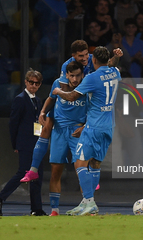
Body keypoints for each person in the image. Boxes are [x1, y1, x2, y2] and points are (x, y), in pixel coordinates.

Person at [20, 40, 123, 183]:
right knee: (46, 127)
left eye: (86, 54)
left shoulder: (93, 61)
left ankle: (90, 182)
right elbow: (64, 90)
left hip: (84, 102)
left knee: (89, 139)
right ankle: (33, 170)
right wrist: (43, 111)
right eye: (81, 56)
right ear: (73, 56)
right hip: (65, 103)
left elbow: (108, 65)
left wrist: (116, 56)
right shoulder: (67, 66)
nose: (85, 58)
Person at [52, 46, 122, 216]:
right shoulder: (116, 72)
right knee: (95, 163)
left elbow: (72, 96)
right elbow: (112, 65)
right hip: (109, 126)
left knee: (80, 162)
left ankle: (90, 202)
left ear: (94, 61)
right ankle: (86, 203)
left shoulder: (91, 78)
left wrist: (58, 91)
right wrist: (116, 57)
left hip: (94, 126)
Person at [0, 69, 46, 216]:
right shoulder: (20, 99)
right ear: (26, 82)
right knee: (23, 172)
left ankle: (36, 208)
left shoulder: (37, 100)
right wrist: (15, 144)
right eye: (31, 82)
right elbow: (13, 123)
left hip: (36, 142)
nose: (34, 85)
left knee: (37, 175)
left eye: (37, 83)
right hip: (25, 142)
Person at [45, 61, 87, 216]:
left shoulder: (87, 85)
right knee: (56, 171)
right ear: (67, 75)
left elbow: (94, 110)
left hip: (78, 131)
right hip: (59, 131)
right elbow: (50, 99)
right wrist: (42, 113)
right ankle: (54, 210)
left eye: (77, 75)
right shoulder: (58, 83)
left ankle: (88, 206)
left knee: (82, 170)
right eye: (72, 76)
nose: (75, 79)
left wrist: (84, 127)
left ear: (82, 74)